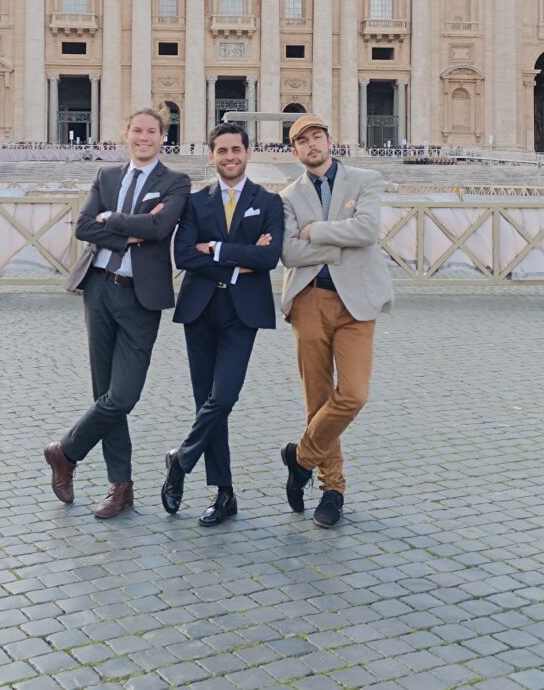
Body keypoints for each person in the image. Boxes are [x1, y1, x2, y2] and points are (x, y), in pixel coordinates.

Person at [45, 107, 190, 518]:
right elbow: (84, 227)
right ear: (126, 134)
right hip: (98, 289)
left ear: (163, 137)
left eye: (152, 131)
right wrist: (130, 232)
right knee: (103, 391)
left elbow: (160, 229)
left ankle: (65, 451)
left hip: (141, 296)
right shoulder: (106, 176)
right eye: (137, 130)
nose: (144, 137)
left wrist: (113, 220)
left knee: (122, 395)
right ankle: (120, 486)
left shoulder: (176, 181)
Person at [161, 123, 284, 526]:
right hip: (200, 308)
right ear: (211, 156)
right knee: (206, 403)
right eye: (222, 151)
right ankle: (224, 492)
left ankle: (181, 460)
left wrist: (214, 248)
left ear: (248, 152)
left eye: (236, 149)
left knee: (224, 397)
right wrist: (238, 260)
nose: (230, 157)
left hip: (241, 313)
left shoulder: (269, 202)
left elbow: (269, 259)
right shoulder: (196, 202)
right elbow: (184, 255)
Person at [279, 113, 394, 528]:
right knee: (318, 398)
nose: (312, 145)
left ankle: (301, 458)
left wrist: (315, 231)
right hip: (309, 299)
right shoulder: (287, 196)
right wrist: (337, 244)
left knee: (354, 394)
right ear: (295, 151)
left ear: (330, 141)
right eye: (303, 141)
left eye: (317, 137)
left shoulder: (366, 179)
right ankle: (333, 490)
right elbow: (289, 253)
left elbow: (367, 230)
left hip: (356, 301)